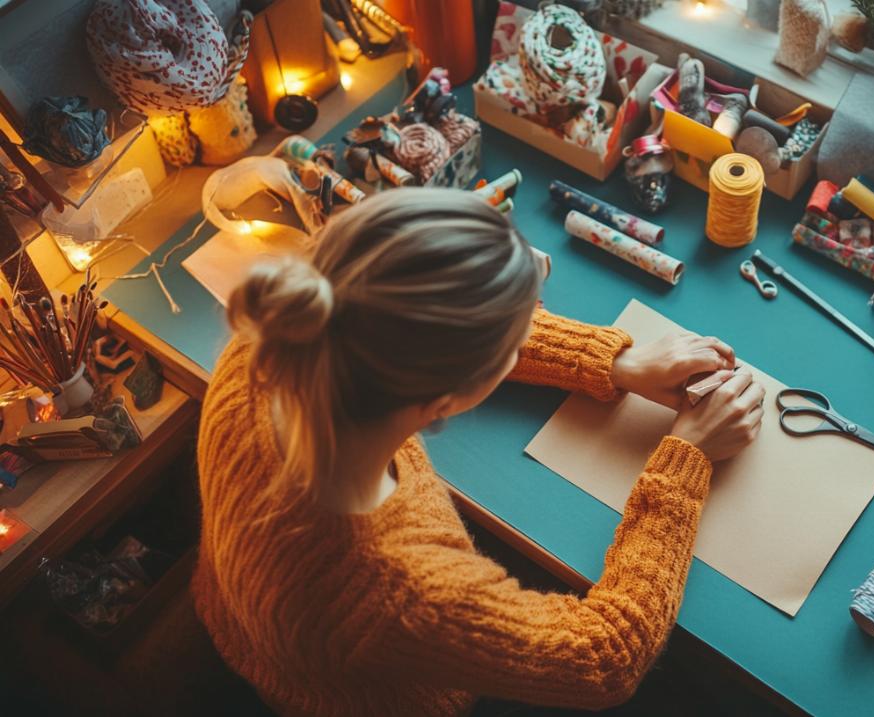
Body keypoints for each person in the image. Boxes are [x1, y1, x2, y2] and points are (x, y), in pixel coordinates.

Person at [193, 188, 766, 716]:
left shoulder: (269, 339)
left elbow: (411, 322)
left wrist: (615, 362)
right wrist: (685, 460)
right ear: (446, 399)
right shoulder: (403, 591)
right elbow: (606, 657)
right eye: (515, 339)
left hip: (246, 623)